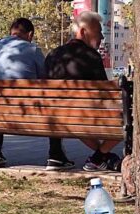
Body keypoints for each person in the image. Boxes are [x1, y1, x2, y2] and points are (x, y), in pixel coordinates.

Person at [44, 11, 121, 172]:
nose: (101, 37)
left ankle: (100, 157)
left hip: (56, 118)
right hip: (82, 117)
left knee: (75, 119)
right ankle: (99, 156)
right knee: (129, 121)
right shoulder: (91, 56)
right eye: (98, 32)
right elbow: (105, 96)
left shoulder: (52, 55)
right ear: (83, 32)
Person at [0, 18, 46, 167]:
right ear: (30, 34)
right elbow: (45, 80)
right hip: (24, 112)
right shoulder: (32, 49)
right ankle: (56, 154)